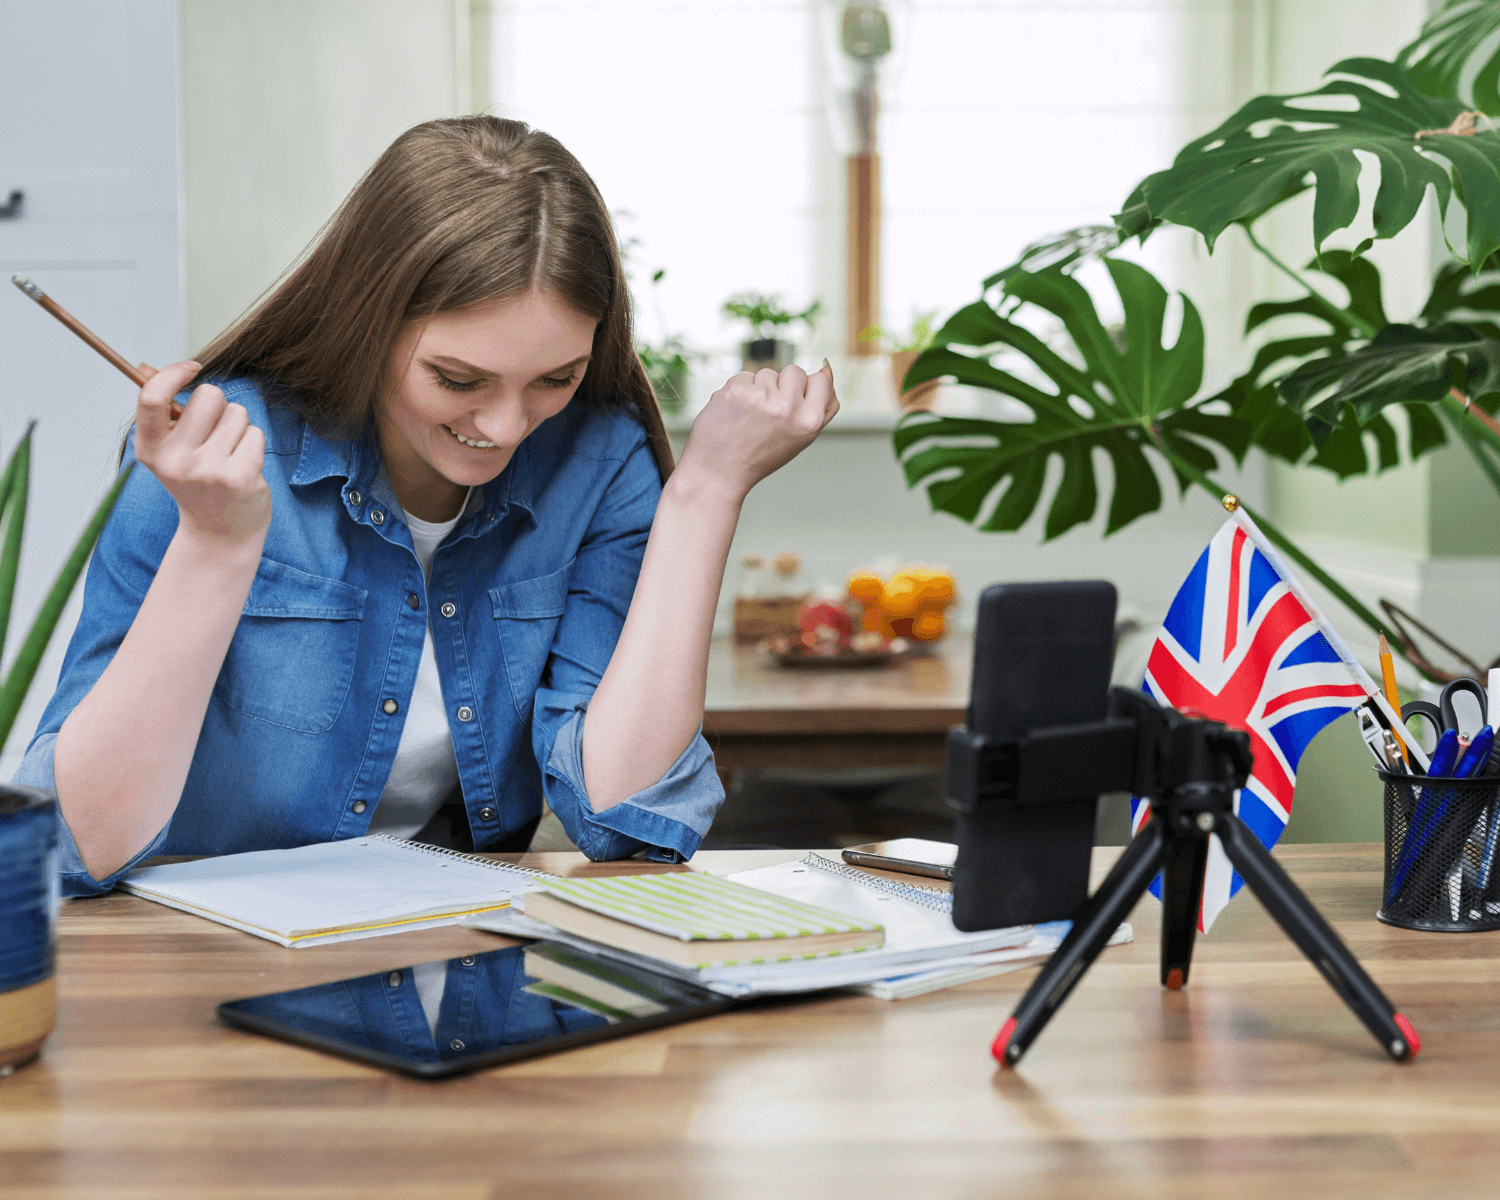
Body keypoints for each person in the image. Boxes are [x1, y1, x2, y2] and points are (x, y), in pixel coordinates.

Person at [16, 116, 838, 896]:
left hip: (449, 947)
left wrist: (705, 494)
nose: (506, 426)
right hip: (195, 960)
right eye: (458, 380)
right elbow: (79, 845)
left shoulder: (597, 456)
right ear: (367, 323)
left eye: (556, 379)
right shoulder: (215, 451)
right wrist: (216, 542)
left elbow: (623, 818)